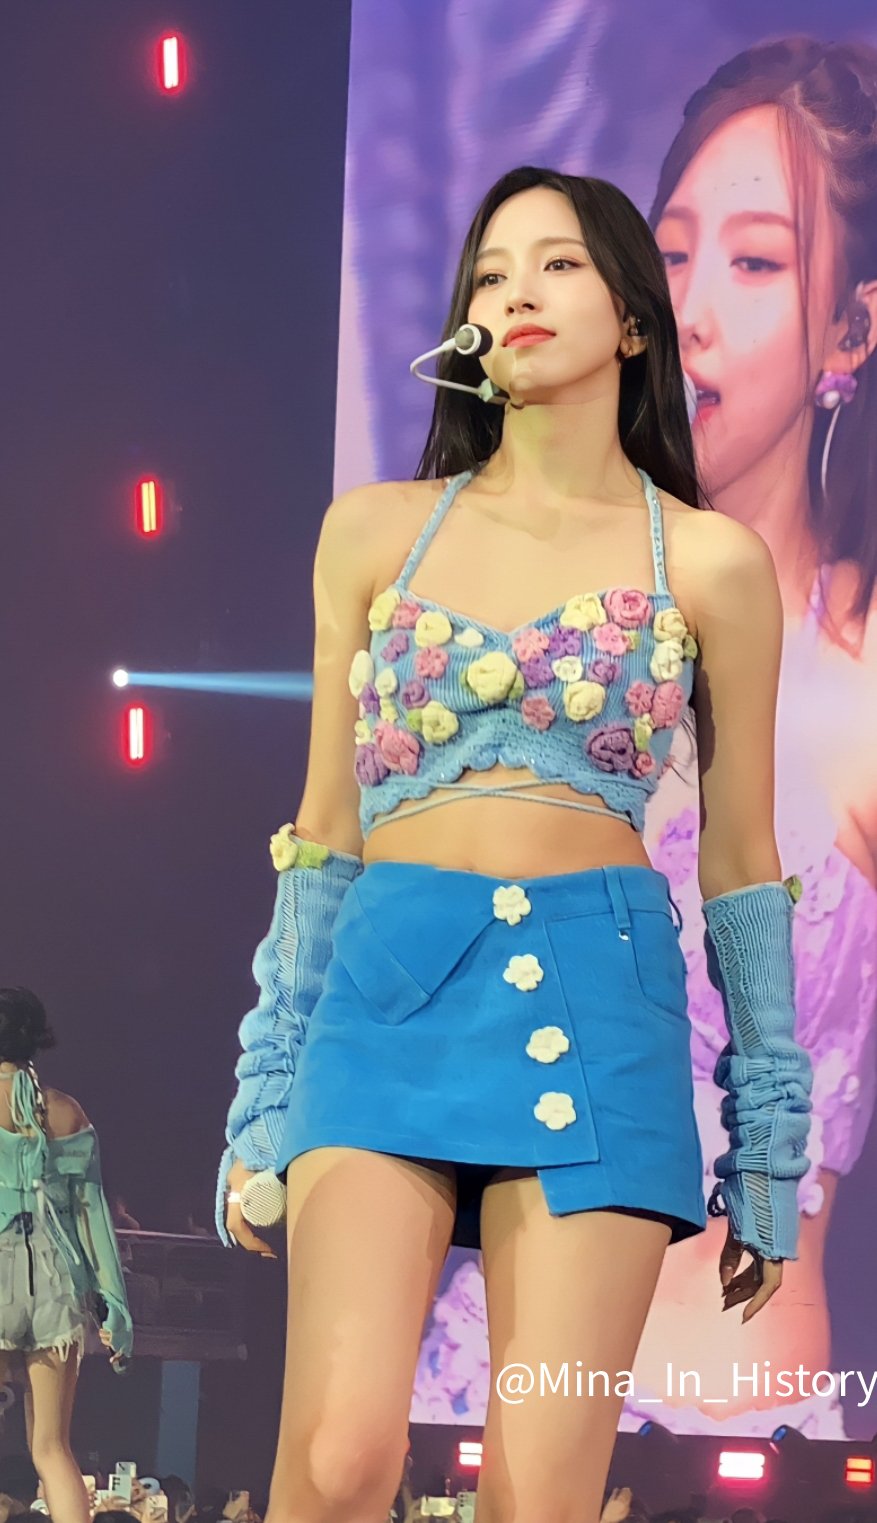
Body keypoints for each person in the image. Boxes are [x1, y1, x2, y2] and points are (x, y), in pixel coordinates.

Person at [216, 165, 813, 1522]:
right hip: (385, 1000)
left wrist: (768, 1146)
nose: (516, 292)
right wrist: (264, 1094)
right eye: (491, 272)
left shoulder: (709, 561)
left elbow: (740, 864)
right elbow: (323, 832)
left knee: (540, 1494)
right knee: (338, 1457)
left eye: (555, 264)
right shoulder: (372, 531)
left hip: (598, 1010)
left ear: (633, 319)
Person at [614, 35, 877, 1439]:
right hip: (468, 1405)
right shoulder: (547, 636)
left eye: (757, 260)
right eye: (670, 252)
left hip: (727, 1444)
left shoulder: (862, 677)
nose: (690, 311)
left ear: (851, 333)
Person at [0, 988, 134, 1523]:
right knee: (52, 1449)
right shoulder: (66, 1111)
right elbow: (92, 1217)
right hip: (55, 1282)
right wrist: (115, 1305)